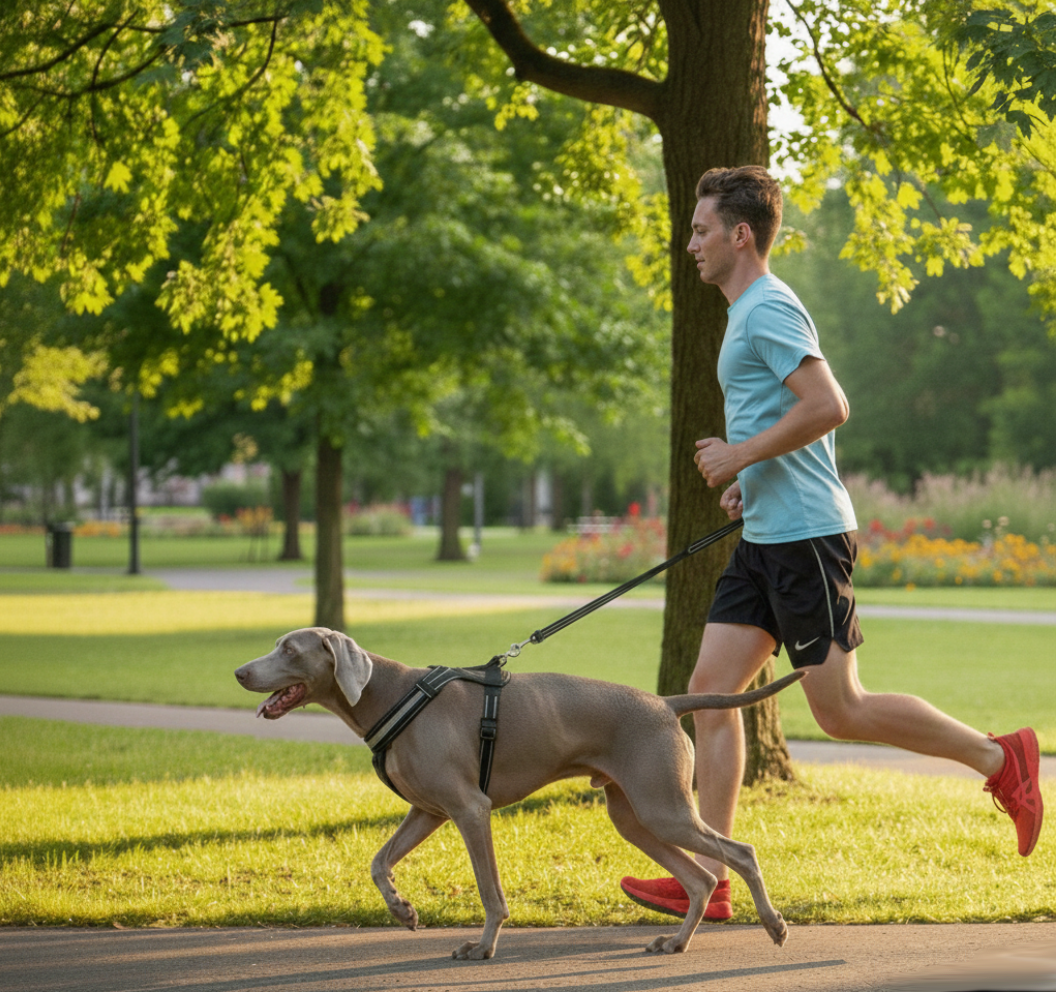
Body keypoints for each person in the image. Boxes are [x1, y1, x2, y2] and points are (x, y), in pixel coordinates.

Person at [620, 165, 1044, 921]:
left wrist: (742, 455)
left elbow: (829, 405)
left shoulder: (768, 308)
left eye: (700, 229)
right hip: (769, 533)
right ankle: (711, 880)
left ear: (739, 234)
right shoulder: (744, 312)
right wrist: (753, 477)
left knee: (841, 710)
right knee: (712, 694)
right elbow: (789, 420)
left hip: (808, 539)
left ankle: (1000, 758)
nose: (691, 244)